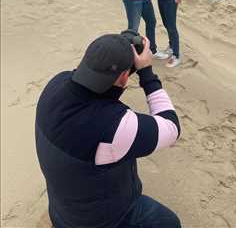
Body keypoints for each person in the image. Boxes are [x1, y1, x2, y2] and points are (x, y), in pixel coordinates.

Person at [35, 32, 181, 228]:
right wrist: (146, 72)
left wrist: (119, 64)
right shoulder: (115, 126)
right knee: (169, 223)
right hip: (101, 221)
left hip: (62, 213)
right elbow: (171, 127)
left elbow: (90, 83)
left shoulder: (55, 84)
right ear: (123, 77)